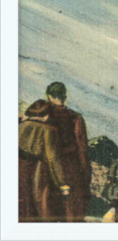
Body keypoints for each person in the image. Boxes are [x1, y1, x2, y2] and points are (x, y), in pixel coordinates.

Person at [42, 82, 90, 222]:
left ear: (49, 96)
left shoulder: (44, 118)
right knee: (71, 213)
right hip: (71, 170)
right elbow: (82, 150)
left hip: (47, 170)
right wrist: (85, 176)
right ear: (64, 96)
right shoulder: (76, 118)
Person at [19, 100, 68, 222]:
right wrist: (62, 183)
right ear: (47, 115)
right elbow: (52, 158)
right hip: (32, 170)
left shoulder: (23, 124)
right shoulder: (49, 130)